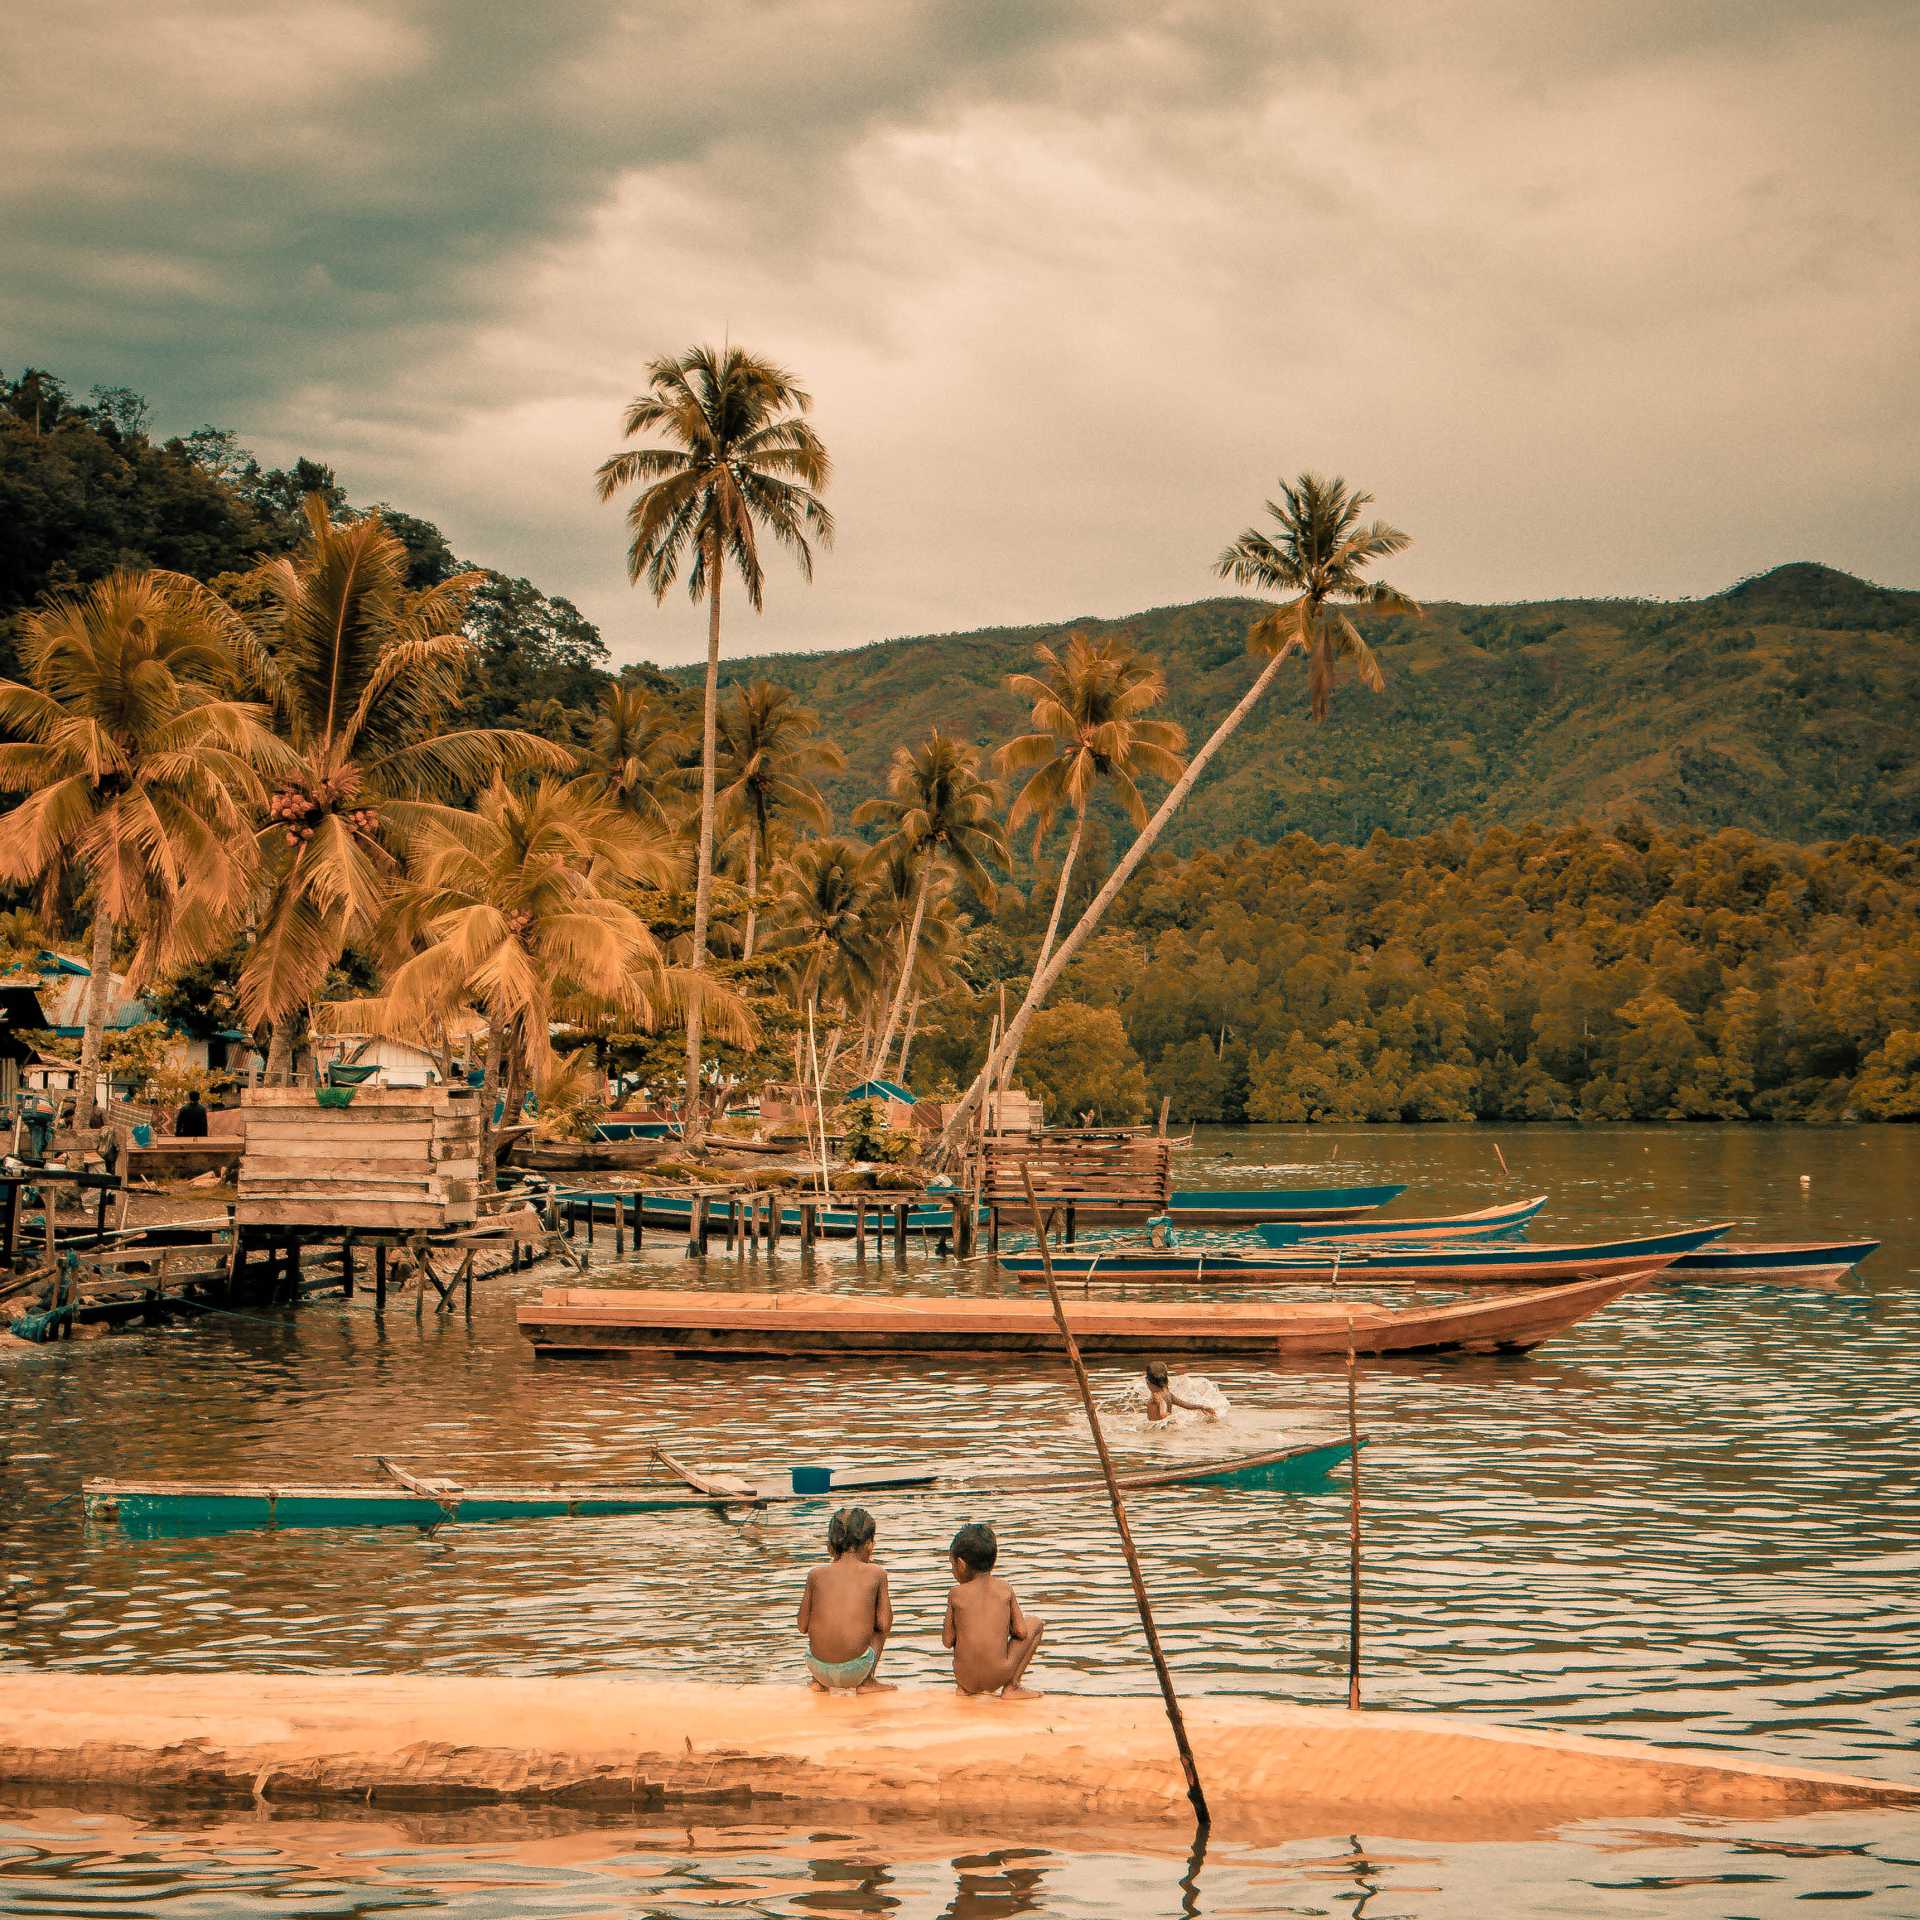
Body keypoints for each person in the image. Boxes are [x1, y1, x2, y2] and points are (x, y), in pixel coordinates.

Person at [796, 1506, 893, 1693]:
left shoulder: (815, 1574)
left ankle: (818, 1682)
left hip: (817, 1667)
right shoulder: (877, 1573)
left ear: (830, 1546)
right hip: (856, 1670)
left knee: (821, 1619)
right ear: (869, 1545)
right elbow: (885, 1624)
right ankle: (867, 1682)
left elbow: (802, 1626)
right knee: (879, 1629)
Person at [943, 1522, 1044, 1698]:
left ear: (960, 1564)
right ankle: (1012, 1686)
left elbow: (947, 1640)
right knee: (1035, 1623)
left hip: (965, 1679)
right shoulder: (1005, 1588)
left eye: (952, 1565)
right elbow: (1021, 1631)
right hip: (998, 1676)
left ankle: (965, 1690)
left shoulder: (955, 1594)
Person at [1145, 1360, 1222, 1424]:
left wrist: (1165, 1414)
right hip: (1166, 1427)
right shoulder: (1168, 1394)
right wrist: (1201, 1406)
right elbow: (1185, 1405)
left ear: (1148, 1381)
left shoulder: (1156, 1396)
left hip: (1156, 1431)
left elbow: (1162, 1412)